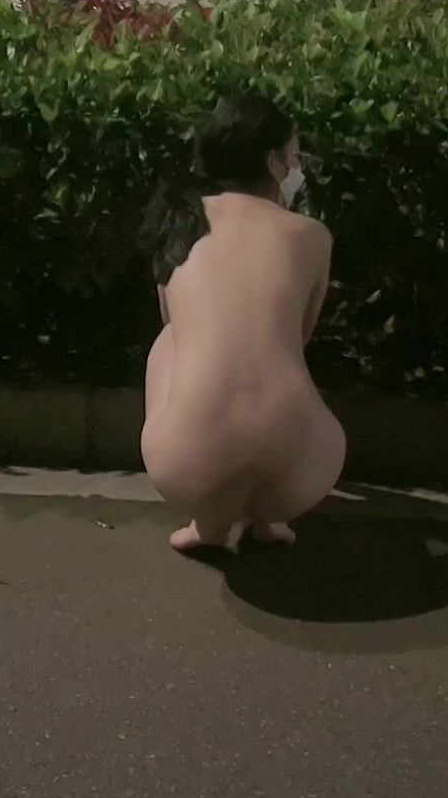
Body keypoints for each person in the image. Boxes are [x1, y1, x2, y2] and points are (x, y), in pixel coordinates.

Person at [141, 93, 347, 554]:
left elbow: (172, 320)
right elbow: (300, 338)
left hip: (186, 469)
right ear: (273, 162)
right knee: (279, 348)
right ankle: (269, 518)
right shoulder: (312, 236)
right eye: (295, 155)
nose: (299, 167)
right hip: (302, 476)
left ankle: (208, 524)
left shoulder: (182, 221)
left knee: (173, 341)